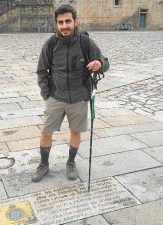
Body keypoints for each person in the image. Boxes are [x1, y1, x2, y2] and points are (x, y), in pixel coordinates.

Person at [32, 4, 109, 182]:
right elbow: (42, 71)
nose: (64, 26)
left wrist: (99, 63)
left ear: (75, 21)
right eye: (60, 22)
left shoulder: (85, 42)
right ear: (56, 23)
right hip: (55, 97)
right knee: (46, 132)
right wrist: (47, 94)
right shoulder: (50, 44)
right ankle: (43, 164)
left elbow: (104, 61)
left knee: (75, 131)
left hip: (79, 98)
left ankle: (71, 162)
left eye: (68, 21)